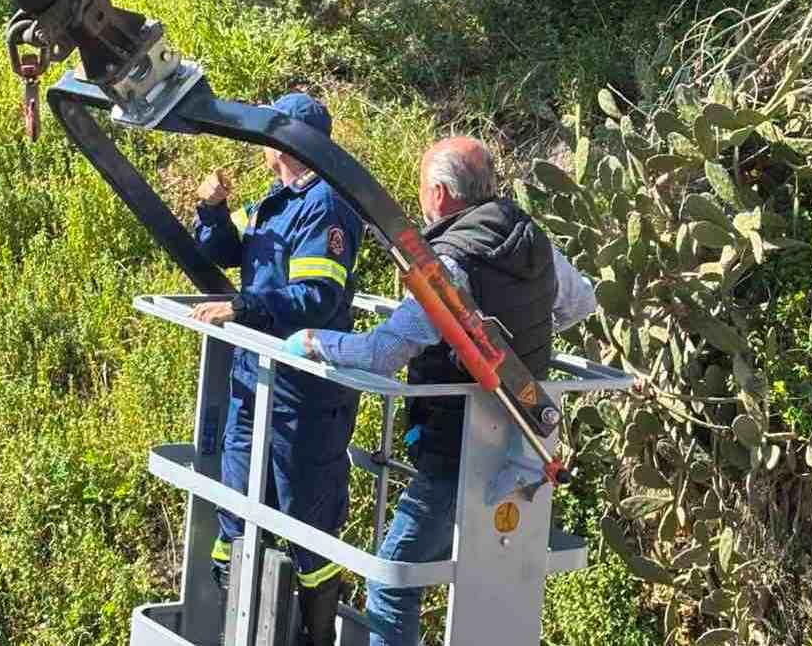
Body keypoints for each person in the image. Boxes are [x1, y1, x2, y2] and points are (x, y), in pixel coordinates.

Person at [284, 137, 596, 646]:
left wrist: (315, 341)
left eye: (423, 188)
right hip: (517, 444)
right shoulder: (529, 238)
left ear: (440, 194)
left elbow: (381, 354)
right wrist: (528, 328)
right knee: (493, 575)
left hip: (457, 448)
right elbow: (579, 303)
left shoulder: (450, 263)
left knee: (392, 579)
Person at [188, 92, 364, 646]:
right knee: (237, 509)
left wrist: (246, 307)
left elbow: (316, 295)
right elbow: (225, 253)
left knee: (307, 522)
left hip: (303, 394)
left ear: (286, 142)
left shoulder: (326, 207)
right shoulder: (275, 201)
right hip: (253, 383)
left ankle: (315, 635)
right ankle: (240, 623)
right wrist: (212, 209)